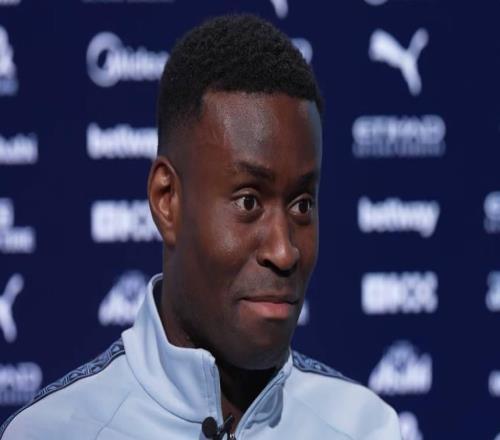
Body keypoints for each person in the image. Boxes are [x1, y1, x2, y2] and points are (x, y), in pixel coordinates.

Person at [0, 14, 401, 439]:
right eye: (249, 201)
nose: (284, 252)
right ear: (167, 200)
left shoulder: (366, 427)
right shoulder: (52, 432)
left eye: (302, 205)